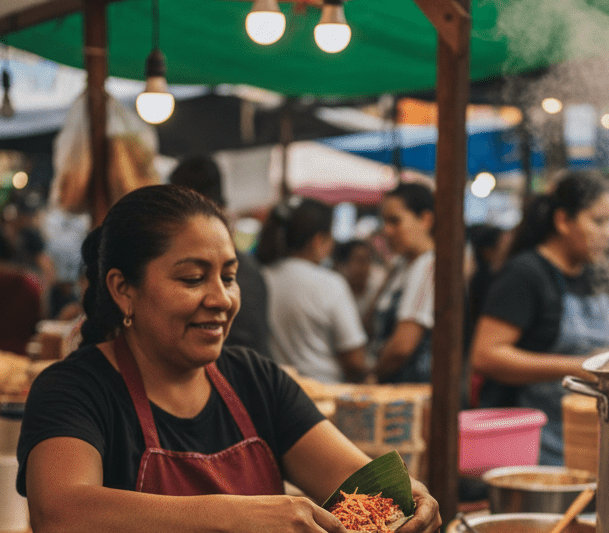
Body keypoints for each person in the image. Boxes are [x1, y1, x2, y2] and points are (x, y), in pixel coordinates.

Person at [17, 185, 439, 533]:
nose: (220, 299)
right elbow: (62, 519)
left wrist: (410, 504)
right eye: (193, 278)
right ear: (122, 289)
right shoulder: (74, 388)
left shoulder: (255, 380)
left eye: (230, 277)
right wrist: (237, 517)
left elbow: (357, 483)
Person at [470, 172, 609, 466]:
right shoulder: (526, 275)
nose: (608, 233)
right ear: (563, 221)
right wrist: (577, 366)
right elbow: (485, 356)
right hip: (533, 453)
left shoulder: (598, 276)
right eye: (598, 221)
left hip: (590, 447)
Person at [169, 155, 271, 356]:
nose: (221, 301)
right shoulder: (246, 267)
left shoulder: (245, 273)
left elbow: (248, 349)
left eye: (227, 278)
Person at [258, 198, 368, 383]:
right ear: (319, 240)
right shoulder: (329, 283)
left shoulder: (262, 277)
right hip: (324, 393)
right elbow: (355, 360)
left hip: (275, 392)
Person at [370, 183, 436, 384]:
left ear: (425, 220)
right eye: (383, 222)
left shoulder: (430, 265)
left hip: (410, 388)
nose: (386, 231)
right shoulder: (403, 265)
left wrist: (372, 376)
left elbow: (402, 346)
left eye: (395, 221)